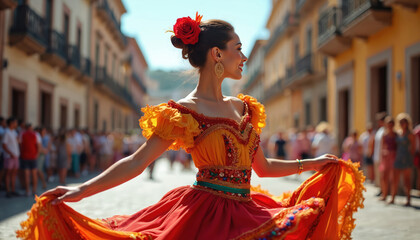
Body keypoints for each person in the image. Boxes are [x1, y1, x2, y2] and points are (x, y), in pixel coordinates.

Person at [17, 14, 364, 239]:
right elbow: (137, 162)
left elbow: (263, 167)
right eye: (238, 49)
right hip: (202, 218)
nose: (243, 57)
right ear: (216, 54)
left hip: (248, 209)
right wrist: (79, 191)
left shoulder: (245, 108)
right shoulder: (182, 112)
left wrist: (316, 164)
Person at [390, 113, 415, 206]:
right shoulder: (398, 133)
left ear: (407, 123)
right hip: (398, 158)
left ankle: (408, 199)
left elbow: (413, 148)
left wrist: (410, 158)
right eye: (400, 122)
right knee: (395, 179)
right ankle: (392, 198)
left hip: (406, 159)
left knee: (407, 180)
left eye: (404, 122)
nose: (402, 123)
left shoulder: (410, 134)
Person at [379, 116, 397, 201]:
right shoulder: (384, 135)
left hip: (393, 157)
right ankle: (384, 194)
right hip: (386, 158)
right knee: (384, 177)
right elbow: (382, 146)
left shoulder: (396, 135)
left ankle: (393, 197)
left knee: (393, 178)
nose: (390, 126)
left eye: (391, 124)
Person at [19, 124, 39, 196]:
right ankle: (34, 190)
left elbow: (20, 145)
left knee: (26, 175)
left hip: (25, 156)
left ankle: (28, 191)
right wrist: (37, 154)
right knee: (34, 174)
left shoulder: (22, 134)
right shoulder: (35, 134)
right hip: (33, 156)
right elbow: (38, 145)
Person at [2, 117, 20, 198]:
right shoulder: (7, 132)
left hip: (15, 156)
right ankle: (8, 191)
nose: (16, 124)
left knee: (14, 173)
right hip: (9, 157)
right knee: (8, 173)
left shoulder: (14, 132)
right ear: (11, 123)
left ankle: (13, 190)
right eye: (15, 122)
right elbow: (4, 145)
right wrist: (11, 153)